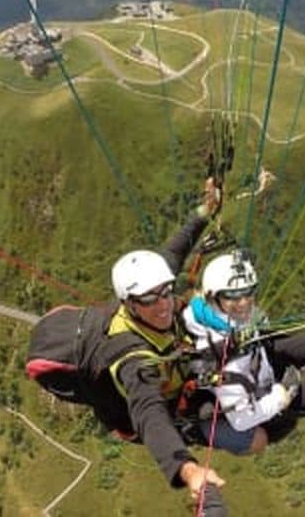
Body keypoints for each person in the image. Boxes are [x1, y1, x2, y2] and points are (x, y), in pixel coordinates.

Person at [101, 178, 227, 502]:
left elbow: (176, 247)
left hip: (179, 375)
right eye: (149, 299)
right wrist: (187, 470)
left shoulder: (152, 286)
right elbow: (148, 412)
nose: (162, 304)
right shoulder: (130, 353)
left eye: (166, 292)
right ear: (128, 303)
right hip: (168, 409)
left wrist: (205, 210)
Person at [182, 250, 305, 456]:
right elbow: (241, 421)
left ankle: (294, 367)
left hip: (259, 360)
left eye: (248, 292)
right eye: (232, 295)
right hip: (260, 394)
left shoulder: (210, 313)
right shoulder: (220, 357)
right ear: (213, 296)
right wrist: (280, 396)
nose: (244, 302)